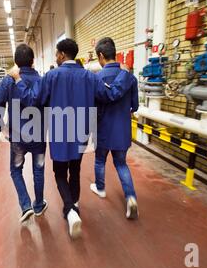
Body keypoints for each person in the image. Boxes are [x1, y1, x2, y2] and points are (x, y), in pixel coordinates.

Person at [9, 38, 134, 238]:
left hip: (60, 131)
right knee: (74, 170)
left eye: (56, 54)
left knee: (59, 173)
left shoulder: (51, 76)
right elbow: (111, 94)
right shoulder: (90, 77)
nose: (56, 57)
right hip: (81, 131)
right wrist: (125, 75)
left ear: (61, 55)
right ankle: (74, 204)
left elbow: (33, 100)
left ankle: (70, 210)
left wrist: (18, 81)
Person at [0, 44, 48, 223]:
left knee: (16, 170)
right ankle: (38, 205)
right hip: (38, 135)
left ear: (16, 61)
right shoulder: (41, 80)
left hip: (18, 137)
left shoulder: (8, 80)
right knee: (38, 170)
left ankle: (25, 205)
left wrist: (0, 126)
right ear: (33, 61)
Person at [90, 37, 139, 219]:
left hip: (103, 129)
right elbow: (135, 106)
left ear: (101, 56)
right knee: (121, 164)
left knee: (100, 160)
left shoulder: (96, 79)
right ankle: (131, 198)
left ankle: (100, 188)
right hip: (122, 130)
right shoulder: (129, 77)